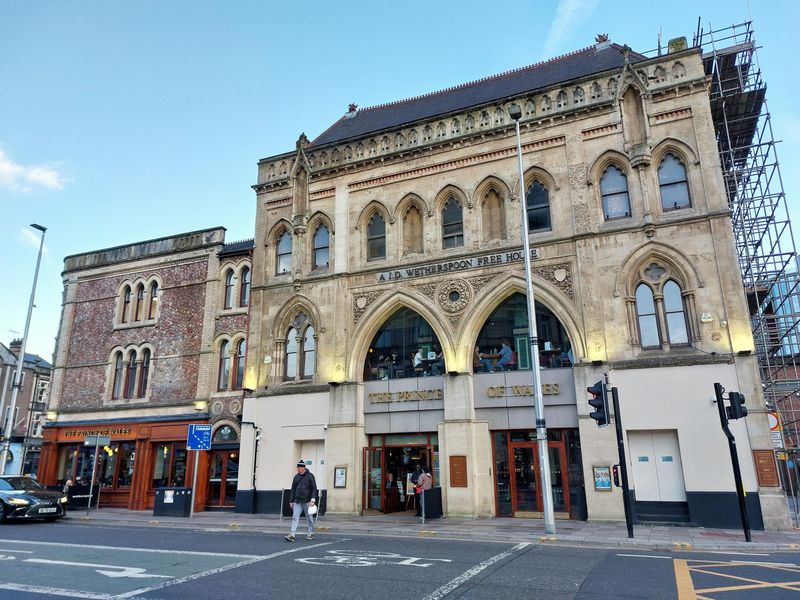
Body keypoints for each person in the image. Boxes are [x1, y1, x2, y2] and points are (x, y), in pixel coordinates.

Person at [285, 460, 317, 542]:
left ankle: (310, 533)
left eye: (299, 468)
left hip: (307, 501)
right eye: (297, 468)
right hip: (297, 501)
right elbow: (293, 489)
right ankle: (292, 534)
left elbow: (314, 489)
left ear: (303, 468)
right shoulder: (296, 477)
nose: (297, 469)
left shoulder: (310, 476)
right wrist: (291, 501)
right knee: (295, 517)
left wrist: (312, 500)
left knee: (309, 518)